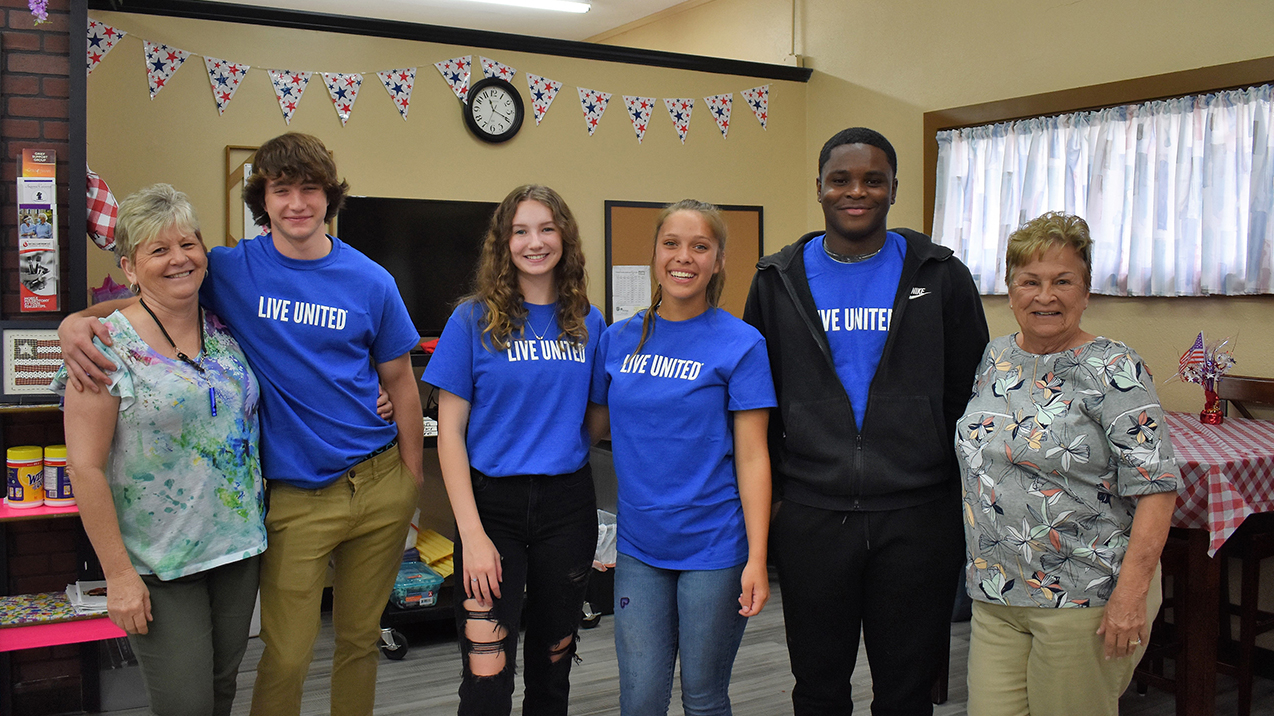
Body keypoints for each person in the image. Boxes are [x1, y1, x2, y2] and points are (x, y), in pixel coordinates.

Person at [56, 132, 424, 716]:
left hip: (373, 486)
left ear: (331, 196)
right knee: (286, 652)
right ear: (264, 201)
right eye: (283, 190)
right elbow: (153, 292)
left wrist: (412, 479)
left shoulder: (371, 280)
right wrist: (75, 321)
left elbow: (401, 381)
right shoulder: (230, 268)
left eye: (311, 188)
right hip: (295, 498)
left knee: (359, 642)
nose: (297, 202)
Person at [742, 127, 989, 715]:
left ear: (894, 188)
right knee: (819, 687)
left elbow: (969, 392)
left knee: (907, 692)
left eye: (873, 180)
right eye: (842, 180)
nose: (858, 191)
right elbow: (757, 399)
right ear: (820, 189)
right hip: (814, 517)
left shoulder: (940, 274)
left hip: (917, 517)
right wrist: (783, 498)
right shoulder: (777, 280)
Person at [956, 212, 1179, 716]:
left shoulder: (1114, 367)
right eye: (1029, 281)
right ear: (1010, 289)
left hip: (1085, 597)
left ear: (1086, 290)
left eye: (1063, 281)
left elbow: (1158, 487)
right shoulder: (995, 358)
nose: (1045, 296)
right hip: (996, 592)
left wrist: (1131, 596)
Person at [55, 184, 265, 716]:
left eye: (188, 244)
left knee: (220, 693)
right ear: (129, 266)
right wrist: (119, 575)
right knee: (185, 705)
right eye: (158, 249)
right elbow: (84, 468)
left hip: (236, 551)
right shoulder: (103, 349)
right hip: (158, 561)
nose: (179, 259)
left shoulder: (224, 329)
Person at [423, 185, 606, 715]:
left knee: (553, 667)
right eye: (520, 231)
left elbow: (595, 417)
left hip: (566, 508)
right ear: (503, 244)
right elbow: (448, 433)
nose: (534, 242)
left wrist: (553, 448)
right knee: (486, 673)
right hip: (491, 510)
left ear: (565, 238)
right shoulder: (472, 320)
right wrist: (473, 535)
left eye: (547, 228)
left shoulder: (588, 323)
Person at [592, 199, 775, 715]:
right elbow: (587, 427)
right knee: (641, 700)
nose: (684, 257)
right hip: (639, 547)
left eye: (700, 246)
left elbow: (754, 457)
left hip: (714, 550)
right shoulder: (619, 338)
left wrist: (758, 558)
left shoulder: (741, 344)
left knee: (703, 696)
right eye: (671, 243)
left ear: (718, 261)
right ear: (654, 253)